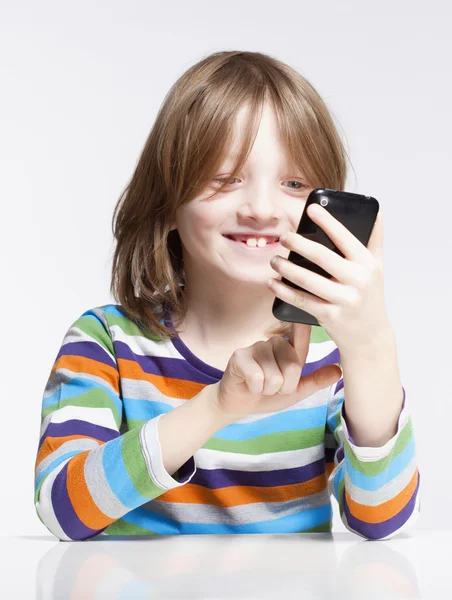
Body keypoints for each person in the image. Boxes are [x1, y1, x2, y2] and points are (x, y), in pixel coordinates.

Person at [34, 50, 421, 541]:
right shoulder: (106, 342)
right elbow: (63, 510)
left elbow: (381, 518)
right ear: (167, 203)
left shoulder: (329, 355)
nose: (261, 209)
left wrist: (372, 347)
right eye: (224, 178)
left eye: (294, 183)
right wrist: (216, 406)